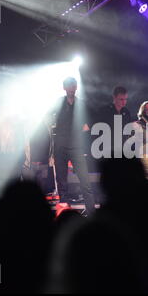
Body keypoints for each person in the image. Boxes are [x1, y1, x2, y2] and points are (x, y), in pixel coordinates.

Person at [52, 77, 95, 215]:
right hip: (60, 146)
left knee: (85, 181)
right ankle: (65, 213)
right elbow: (47, 119)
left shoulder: (81, 104)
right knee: (62, 182)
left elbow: (91, 121)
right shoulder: (58, 102)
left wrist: (84, 128)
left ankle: (91, 211)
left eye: (74, 85)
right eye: (69, 85)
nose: (72, 87)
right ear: (64, 87)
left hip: (76, 147)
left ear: (76, 87)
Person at [95, 86, 133, 157]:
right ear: (114, 97)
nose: (124, 102)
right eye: (121, 99)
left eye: (125, 99)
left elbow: (128, 131)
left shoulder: (126, 112)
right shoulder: (104, 110)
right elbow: (96, 131)